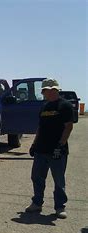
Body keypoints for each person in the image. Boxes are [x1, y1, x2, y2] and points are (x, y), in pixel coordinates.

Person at [25, 78, 74, 219]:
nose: (47, 93)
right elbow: (40, 127)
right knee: (37, 177)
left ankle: (60, 207)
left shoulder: (65, 106)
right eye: (46, 90)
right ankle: (37, 203)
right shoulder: (44, 107)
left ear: (56, 90)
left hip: (57, 151)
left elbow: (68, 127)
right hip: (41, 149)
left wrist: (60, 145)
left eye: (50, 90)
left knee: (59, 180)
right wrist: (34, 144)